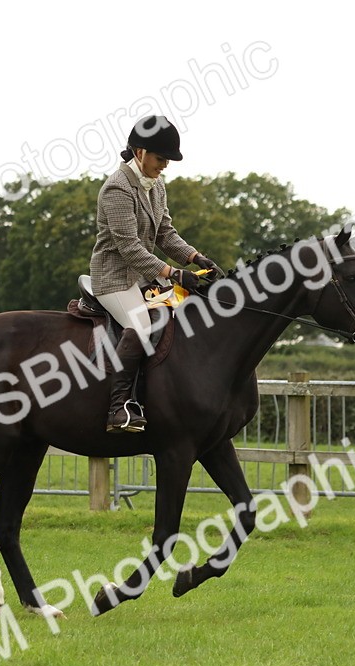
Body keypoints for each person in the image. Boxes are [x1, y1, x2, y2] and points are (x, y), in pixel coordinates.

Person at [89, 115, 219, 433]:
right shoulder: (116, 189)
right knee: (142, 324)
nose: (164, 166)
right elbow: (130, 249)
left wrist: (195, 256)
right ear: (140, 152)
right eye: (161, 159)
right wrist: (175, 273)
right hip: (114, 278)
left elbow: (165, 234)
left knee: (184, 313)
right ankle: (118, 408)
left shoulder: (156, 185)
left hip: (143, 277)